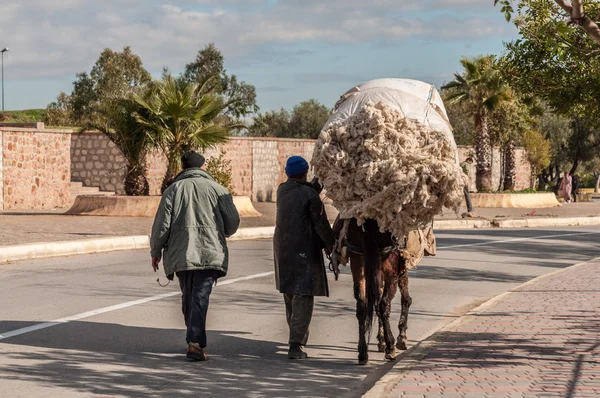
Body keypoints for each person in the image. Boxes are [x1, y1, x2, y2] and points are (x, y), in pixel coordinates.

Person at [150, 151, 240, 361]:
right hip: (210, 251)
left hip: (181, 253)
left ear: (184, 168)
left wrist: (156, 251)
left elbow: (161, 226)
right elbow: (233, 222)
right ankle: (195, 342)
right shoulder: (218, 190)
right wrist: (221, 231)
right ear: (202, 167)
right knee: (199, 296)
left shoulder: (173, 190)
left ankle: (193, 340)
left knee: (189, 295)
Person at [273, 156, 334, 360]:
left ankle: (295, 338)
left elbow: (300, 195)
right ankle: (295, 345)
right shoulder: (309, 194)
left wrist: (311, 190)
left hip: (283, 251)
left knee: (290, 295)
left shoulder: (282, 190)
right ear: (305, 172)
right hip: (303, 251)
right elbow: (320, 224)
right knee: (303, 297)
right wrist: (331, 244)